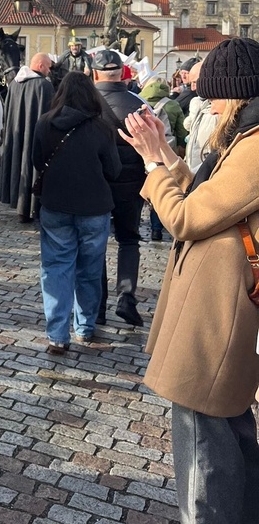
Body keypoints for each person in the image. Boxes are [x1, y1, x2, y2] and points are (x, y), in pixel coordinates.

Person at [119, 37, 259, 524]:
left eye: (215, 96)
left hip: (216, 318)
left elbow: (185, 218)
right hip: (217, 309)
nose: (210, 107)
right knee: (233, 434)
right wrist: (166, 155)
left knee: (203, 443)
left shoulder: (254, 145)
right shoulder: (245, 135)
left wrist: (154, 162)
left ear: (237, 93)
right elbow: (206, 197)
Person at [32, 72, 121, 354]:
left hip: (56, 205)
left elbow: (37, 161)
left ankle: (57, 335)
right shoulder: (102, 128)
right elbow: (114, 170)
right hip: (94, 209)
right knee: (89, 270)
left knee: (56, 269)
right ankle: (84, 326)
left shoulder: (45, 123)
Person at [92, 48, 147, 326]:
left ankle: (98, 305)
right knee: (128, 240)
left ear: (95, 74)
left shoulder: (86, 104)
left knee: (97, 244)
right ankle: (126, 297)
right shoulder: (138, 104)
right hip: (131, 184)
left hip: (98, 183)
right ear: (122, 74)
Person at [0, 52, 54, 222]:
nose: (50, 71)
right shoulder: (44, 86)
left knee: (18, 165)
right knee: (32, 168)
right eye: (48, 67)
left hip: (16, 137)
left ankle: (19, 205)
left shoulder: (14, 84)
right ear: (40, 66)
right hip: (34, 137)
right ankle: (31, 208)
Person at [140, 78, 187, 243]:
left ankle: (149, 226)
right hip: (167, 152)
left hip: (144, 151)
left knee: (150, 186)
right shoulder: (172, 105)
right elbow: (181, 131)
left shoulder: (139, 101)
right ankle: (162, 226)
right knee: (164, 184)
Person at [184, 60, 218, 174]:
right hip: (196, 171)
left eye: (195, 82)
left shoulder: (216, 111)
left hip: (205, 174)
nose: (192, 88)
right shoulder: (200, 104)